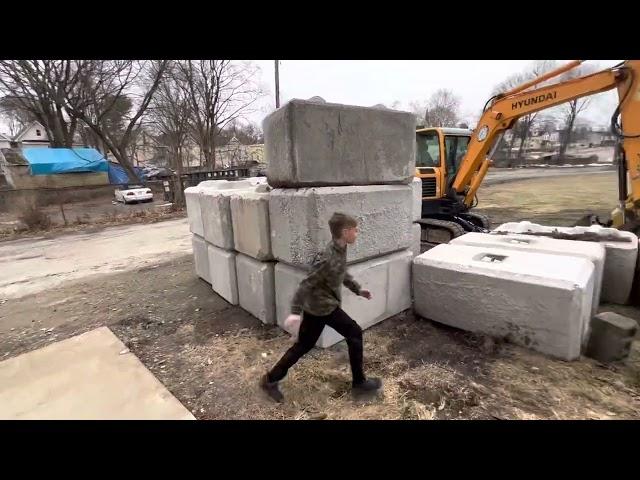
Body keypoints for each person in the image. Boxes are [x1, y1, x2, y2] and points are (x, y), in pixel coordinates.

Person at [260, 212, 382, 403]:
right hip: (320, 308)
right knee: (354, 332)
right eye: (355, 230)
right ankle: (359, 384)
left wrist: (358, 290)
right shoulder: (326, 257)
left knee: (304, 345)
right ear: (345, 232)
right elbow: (305, 284)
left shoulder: (340, 250)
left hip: (324, 307)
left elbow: (341, 274)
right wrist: (294, 312)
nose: (357, 233)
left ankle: (270, 379)